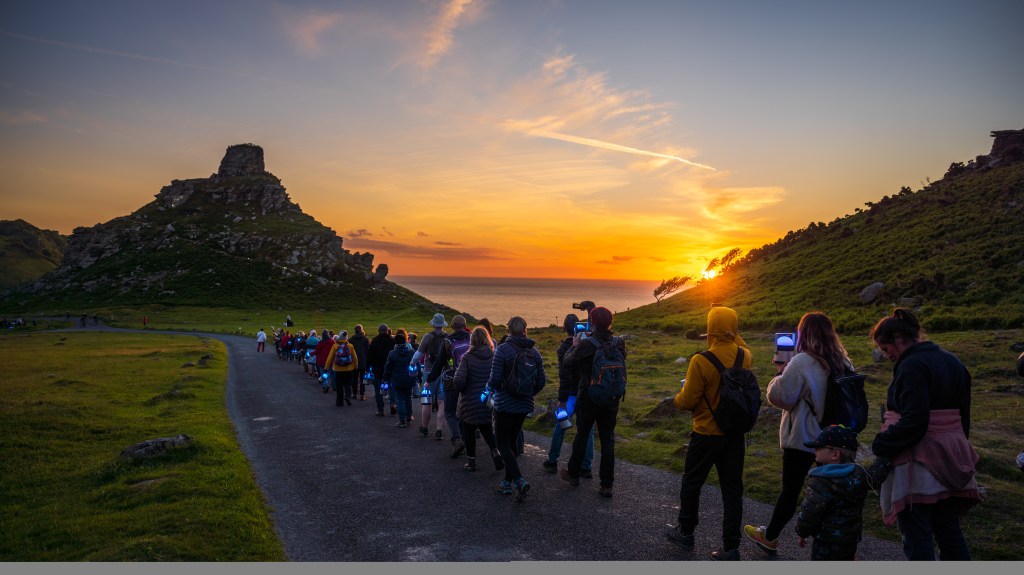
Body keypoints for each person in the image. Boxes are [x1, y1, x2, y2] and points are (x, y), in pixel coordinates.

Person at [869, 308, 981, 561]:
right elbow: (964, 418)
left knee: (917, 535)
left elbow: (916, 420)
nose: (887, 357)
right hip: (951, 455)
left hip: (919, 462)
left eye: (886, 350)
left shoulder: (911, 366)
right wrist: (957, 453)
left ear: (898, 339)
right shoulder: (953, 361)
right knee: (949, 531)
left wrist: (882, 443)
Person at [744, 311, 854, 555]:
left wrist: (781, 371)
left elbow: (779, 397)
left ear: (803, 334)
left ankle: (769, 537)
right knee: (836, 493)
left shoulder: (802, 361)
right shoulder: (843, 361)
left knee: (791, 491)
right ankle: (838, 543)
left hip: (804, 438)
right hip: (836, 438)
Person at [665, 305, 752, 561]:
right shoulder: (744, 357)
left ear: (709, 328)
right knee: (732, 491)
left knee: (692, 482)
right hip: (734, 436)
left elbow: (688, 400)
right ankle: (730, 547)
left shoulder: (700, 360)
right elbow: (741, 344)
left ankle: (686, 532)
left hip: (705, 434)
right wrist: (730, 333)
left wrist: (677, 399)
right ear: (734, 329)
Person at [558, 308, 622, 495]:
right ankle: (606, 484)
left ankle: (574, 475)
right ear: (610, 323)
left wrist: (575, 344)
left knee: (582, 435)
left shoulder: (588, 344)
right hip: (611, 398)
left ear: (592, 323)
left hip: (588, 396)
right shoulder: (619, 343)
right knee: (608, 440)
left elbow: (568, 363)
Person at [487, 316, 546, 502]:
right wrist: (527, 392)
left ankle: (519, 480)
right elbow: (541, 381)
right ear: (525, 329)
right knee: (512, 441)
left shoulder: (503, 350)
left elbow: (495, 379)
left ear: (509, 330)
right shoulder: (534, 352)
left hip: (505, 403)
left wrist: (490, 390)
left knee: (501, 443)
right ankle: (506, 483)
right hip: (524, 404)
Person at [795, 425, 870, 561]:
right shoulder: (859, 476)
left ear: (835, 454)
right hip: (850, 541)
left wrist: (802, 532)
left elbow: (809, 511)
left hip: (825, 541)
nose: (815, 450)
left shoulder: (821, 481)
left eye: (819, 447)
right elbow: (878, 473)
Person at [545, 313, 595, 476]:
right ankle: (586, 466)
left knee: (561, 426)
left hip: (570, 395)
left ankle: (552, 461)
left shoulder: (563, 348)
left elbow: (564, 376)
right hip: (587, 394)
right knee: (587, 430)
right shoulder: (590, 345)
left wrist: (562, 400)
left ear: (564, 328)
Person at [454, 326, 503, 472]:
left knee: (468, 430)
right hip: (488, 399)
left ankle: (471, 462)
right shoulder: (494, 355)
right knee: (487, 428)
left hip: (470, 400)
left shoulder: (467, 357)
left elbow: (459, 380)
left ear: (473, 340)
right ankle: (495, 452)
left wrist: (461, 389)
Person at [425, 315, 472, 456]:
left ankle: (456, 439)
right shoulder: (472, 338)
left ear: (452, 326)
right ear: (465, 325)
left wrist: (430, 379)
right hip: (471, 379)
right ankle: (468, 443)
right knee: (465, 411)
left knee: (450, 411)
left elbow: (439, 364)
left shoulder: (447, 341)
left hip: (451, 379)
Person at [412, 314, 448, 438]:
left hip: (428, 373)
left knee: (426, 402)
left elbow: (418, 354)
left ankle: (425, 428)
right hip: (444, 373)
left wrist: (412, 363)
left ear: (433, 324)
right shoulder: (447, 337)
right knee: (442, 402)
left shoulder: (428, 337)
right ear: (443, 324)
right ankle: (439, 430)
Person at [383, 332, 416, 428]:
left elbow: (388, 367)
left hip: (396, 378)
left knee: (400, 399)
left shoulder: (392, 353)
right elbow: (416, 365)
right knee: (408, 398)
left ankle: (402, 420)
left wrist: (385, 378)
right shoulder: (411, 352)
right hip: (409, 378)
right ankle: (409, 417)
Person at [367, 324, 396, 416]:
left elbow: (370, 356)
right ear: (387, 330)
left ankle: (380, 409)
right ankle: (393, 404)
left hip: (378, 368)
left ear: (378, 331)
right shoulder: (392, 340)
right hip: (390, 368)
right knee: (392, 387)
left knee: (378, 388)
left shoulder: (374, 341)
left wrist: (367, 367)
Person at [325, 331, 359, 407]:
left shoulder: (335, 346)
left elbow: (330, 357)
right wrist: (356, 367)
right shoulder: (350, 346)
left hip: (338, 369)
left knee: (339, 386)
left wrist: (326, 367)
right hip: (348, 369)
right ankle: (347, 396)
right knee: (348, 384)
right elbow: (355, 357)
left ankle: (339, 401)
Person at [349, 324, 370, 401]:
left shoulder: (351, 340)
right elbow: (368, 352)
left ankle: (354, 393)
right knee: (362, 379)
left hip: (354, 362)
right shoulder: (365, 339)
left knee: (354, 378)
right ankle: (362, 394)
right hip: (363, 361)